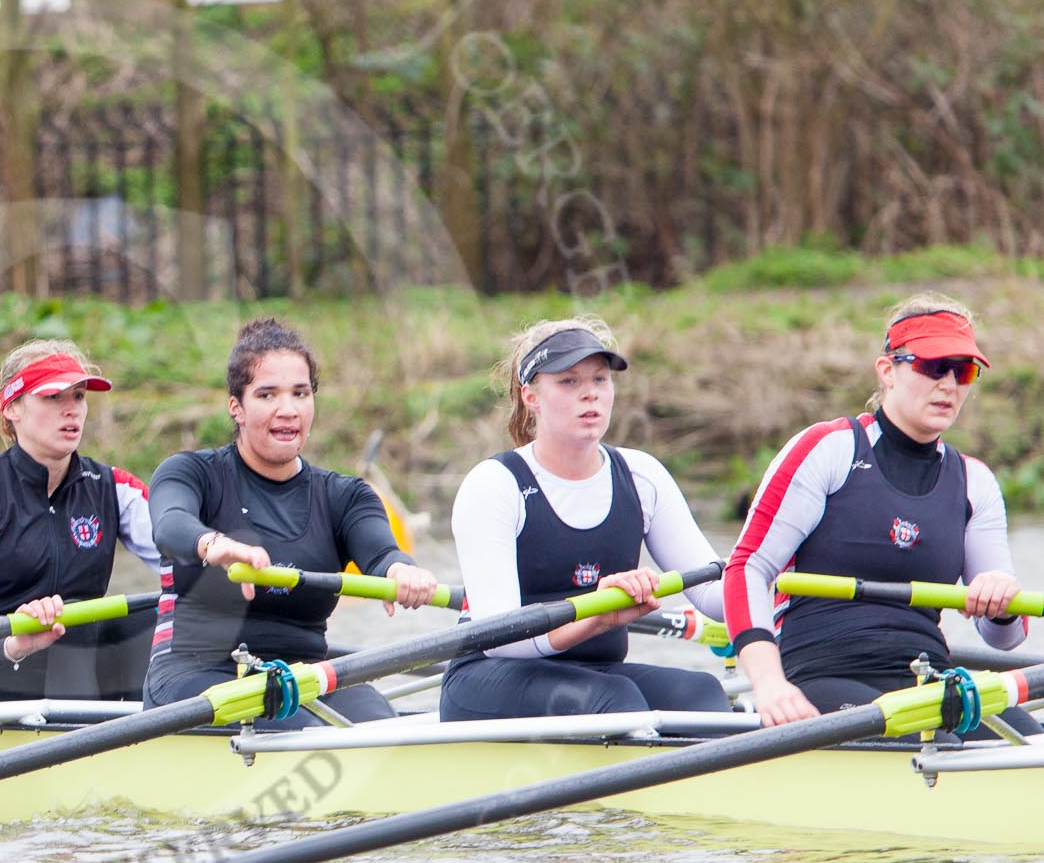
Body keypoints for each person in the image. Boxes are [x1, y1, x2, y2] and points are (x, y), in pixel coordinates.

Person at [725, 295, 1037, 736]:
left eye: (963, 370)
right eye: (933, 366)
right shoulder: (829, 449)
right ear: (887, 371)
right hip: (819, 677)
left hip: (925, 681)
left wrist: (1000, 602)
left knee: (1031, 743)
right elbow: (747, 568)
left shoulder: (975, 482)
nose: (949, 385)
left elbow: (1005, 637)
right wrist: (769, 685)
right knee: (934, 739)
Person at [144, 317, 441, 727]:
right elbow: (170, 524)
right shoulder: (191, 474)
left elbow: (383, 554)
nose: (288, 410)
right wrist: (214, 544)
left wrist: (402, 570)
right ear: (236, 407)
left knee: (383, 728)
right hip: (196, 673)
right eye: (267, 394)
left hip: (301, 674)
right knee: (303, 730)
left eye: (300, 393)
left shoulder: (346, 496)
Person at [441, 316, 731, 721]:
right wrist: (595, 616)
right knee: (615, 699)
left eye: (599, 379)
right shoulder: (495, 485)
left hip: (594, 675)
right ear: (531, 397)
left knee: (701, 691)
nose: (590, 393)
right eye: (569, 381)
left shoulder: (642, 476)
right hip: (491, 675)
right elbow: (502, 639)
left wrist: (773, 568)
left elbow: (715, 596)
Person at [0, 340, 160, 703]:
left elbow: (189, 561)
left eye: (79, 396)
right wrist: (16, 644)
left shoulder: (115, 489)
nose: (71, 410)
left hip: (73, 667)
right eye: (53, 396)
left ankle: (154, 724)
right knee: (68, 630)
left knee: (151, 615)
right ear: (12, 408)